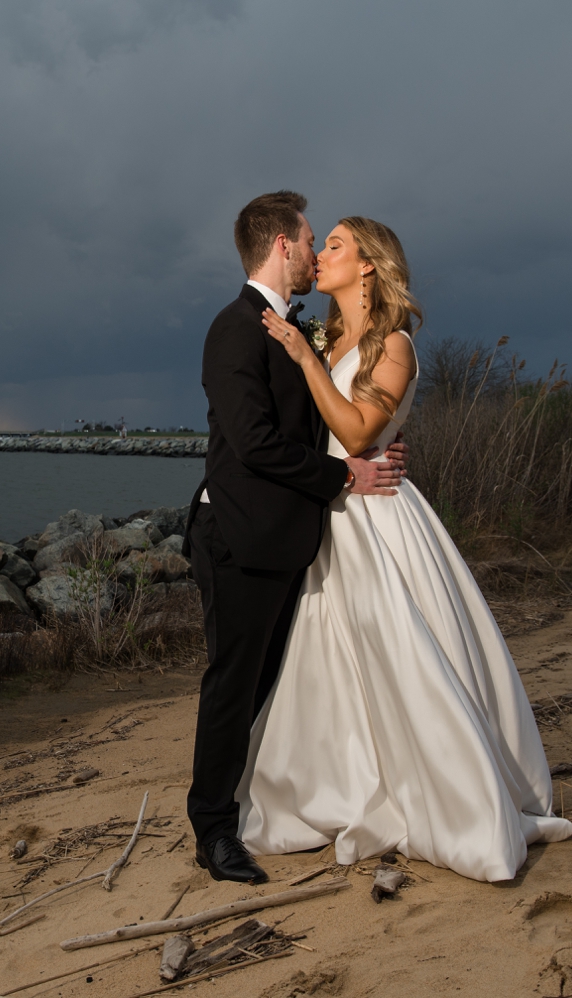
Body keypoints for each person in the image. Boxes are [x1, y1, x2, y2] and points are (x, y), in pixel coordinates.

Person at [240, 215, 572, 882]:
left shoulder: (392, 344)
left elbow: (361, 434)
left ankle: (443, 797)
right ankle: (342, 782)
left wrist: (305, 359)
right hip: (335, 515)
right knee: (332, 665)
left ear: (368, 265)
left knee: (401, 656)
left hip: (378, 523)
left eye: (334, 244)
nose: (321, 255)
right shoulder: (334, 339)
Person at [185, 192, 407, 884]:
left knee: (268, 687)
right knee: (233, 686)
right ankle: (213, 831)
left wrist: (369, 451)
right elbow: (252, 445)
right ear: (283, 246)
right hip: (236, 538)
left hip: (284, 542)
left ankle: (258, 803)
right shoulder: (236, 328)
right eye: (311, 240)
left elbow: (338, 416)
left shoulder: (297, 330)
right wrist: (345, 477)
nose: (315, 253)